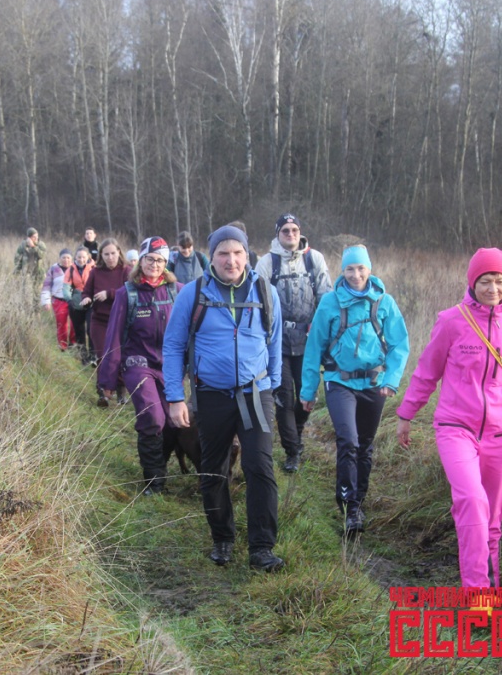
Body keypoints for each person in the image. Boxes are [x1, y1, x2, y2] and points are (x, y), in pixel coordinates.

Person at [395, 248, 502, 603]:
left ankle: (488, 592)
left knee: (492, 518)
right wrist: (406, 414)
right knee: (472, 501)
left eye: (499, 281)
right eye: (485, 281)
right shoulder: (451, 321)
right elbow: (427, 372)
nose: (493, 288)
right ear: (472, 282)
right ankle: (477, 596)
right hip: (455, 428)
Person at [163, 224, 285, 572]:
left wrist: (273, 387)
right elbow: (172, 346)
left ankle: (262, 548)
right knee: (213, 468)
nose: (231, 261)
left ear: (247, 255)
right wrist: (175, 396)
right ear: (211, 257)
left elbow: (274, 342)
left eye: (238, 253)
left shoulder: (265, 291)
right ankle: (222, 538)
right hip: (211, 394)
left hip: (255, 392)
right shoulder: (193, 294)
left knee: (259, 466)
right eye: (223, 254)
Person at [300, 245, 410, 535]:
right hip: (339, 381)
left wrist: (391, 379)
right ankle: (349, 507)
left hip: (373, 383)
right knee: (348, 441)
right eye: (350, 269)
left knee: (365, 444)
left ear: (369, 270)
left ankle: (359, 502)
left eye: (361, 268)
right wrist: (308, 391)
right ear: (342, 271)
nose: (356, 274)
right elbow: (314, 348)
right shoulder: (330, 302)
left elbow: (399, 344)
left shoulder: (384, 302)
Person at [99, 237, 180, 495]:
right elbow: (113, 337)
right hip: (138, 364)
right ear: (141, 261)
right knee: (152, 417)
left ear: (166, 263)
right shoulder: (127, 294)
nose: (155, 265)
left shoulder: (177, 291)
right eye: (150, 259)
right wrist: (107, 380)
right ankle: (154, 483)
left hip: (169, 366)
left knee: (172, 421)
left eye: (160, 260)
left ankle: (160, 467)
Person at [255, 213, 333, 472]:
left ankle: (296, 432)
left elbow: (326, 297)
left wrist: (325, 332)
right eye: (285, 230)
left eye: (294, 230)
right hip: (277, 340)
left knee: (306, 394)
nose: (290, 234)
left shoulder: (314, 259)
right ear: (277, 234)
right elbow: (258, 301)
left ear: (300, 233)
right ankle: (292, 452)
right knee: (284, 397)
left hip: (308, 340)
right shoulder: (267, 262)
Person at [82, 239, 128, 403]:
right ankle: (103, 391)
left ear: (119, 253)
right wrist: (86, 299)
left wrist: (109, 294)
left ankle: (120, 389)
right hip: (99, 321)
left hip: (120, 321)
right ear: (101, 255)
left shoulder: (126, 271)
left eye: (113, 253)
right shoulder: (95, 272)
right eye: (106, 254)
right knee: (103, 355)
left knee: (119, 356)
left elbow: (129, 291)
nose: (110, 257)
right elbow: (86, 292)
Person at [40, 248, 77, 351]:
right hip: (59, 301)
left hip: (73, 300)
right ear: (59, 258)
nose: (66, 260)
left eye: (68, 258)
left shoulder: (75, 268)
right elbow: (46, 285)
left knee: (75, 323)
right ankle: (62, 345)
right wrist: (46, 301)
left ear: (71, 259)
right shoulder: (54, 269)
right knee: (61, 324)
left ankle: (74, 343)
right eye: (63, 257)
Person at [65, 247, 94, 364]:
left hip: (91, 303)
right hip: (76, 303)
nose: (81, 259)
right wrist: (69, 300)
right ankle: (83, 357)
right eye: (79, 257)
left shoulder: (94, 268)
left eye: (83, 257)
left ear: (88, 257)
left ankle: (93, 355)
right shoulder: (71, 269)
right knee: (79, 331)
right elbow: (66, 286)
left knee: (91, 329)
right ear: (75, 257)